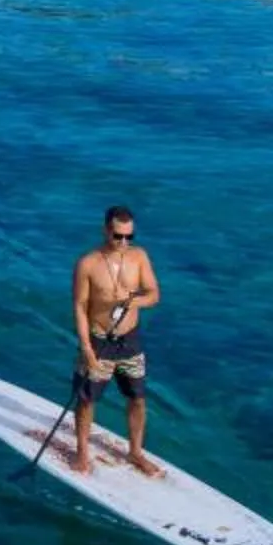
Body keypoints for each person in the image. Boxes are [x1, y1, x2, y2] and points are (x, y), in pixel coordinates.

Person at [69, 205, 163, 478]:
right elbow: (79, 305)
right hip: (99, 341)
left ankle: (135, 452)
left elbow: (154, 294)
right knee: (86, 400)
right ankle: (82, 453)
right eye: (117, 236)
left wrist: (133, 300)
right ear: (105, 230)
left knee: (138, 398)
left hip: (130, 341)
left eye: (128, 237)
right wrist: (86, 346)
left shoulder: (139, 257)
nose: (123, 242)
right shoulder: (88, 263)